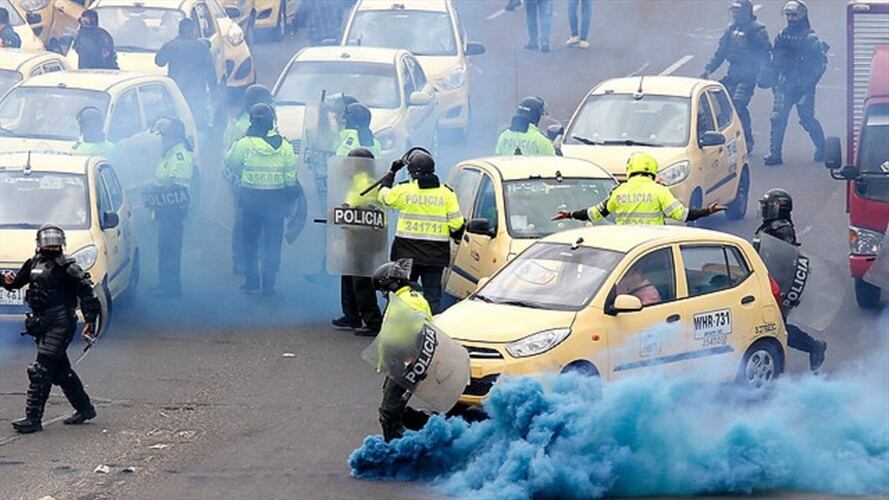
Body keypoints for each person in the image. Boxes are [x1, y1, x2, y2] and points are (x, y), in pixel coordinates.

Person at [1, 226, 101, 434]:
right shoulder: (34, 263)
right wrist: (5, 280)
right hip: (41, 322)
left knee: (40, 370)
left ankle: (33, 419)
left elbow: (87, 292)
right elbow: (15, 284)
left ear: (62, 243)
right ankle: (85, 409)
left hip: (61, 322)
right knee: (61, 372)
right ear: (39, 243)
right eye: (48, 241)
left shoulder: (68, 267)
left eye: (55, 241)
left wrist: (90, 321)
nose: (51, 245)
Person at [377, 149, 464, 314]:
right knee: (432, 296)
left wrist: (391, 173)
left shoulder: (404, 190)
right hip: (435, 255)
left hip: (406, 253)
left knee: (402, 293)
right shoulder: (447, 193)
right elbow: (456, 224)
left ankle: (399, 324)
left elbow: (383, 196)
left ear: (413, 173)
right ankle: (431, 327)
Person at [225, 103, 299, 296]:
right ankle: (269, 286)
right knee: (272, 244)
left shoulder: (244, 144)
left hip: (251, 199)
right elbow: (290, 177)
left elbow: (230, 162)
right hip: (276, 200)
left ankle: (251, 282)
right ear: (272, 122)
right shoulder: (285, 146)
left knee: (250, 242)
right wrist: (289, 201)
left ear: (251, 121)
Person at [754, 188, 827, 371]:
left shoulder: (781, 228)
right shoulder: (771, 226)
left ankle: (813, 347)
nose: (765, 210)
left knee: (776, 327)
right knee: (774, 326)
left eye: (768, 206)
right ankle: (811, 348)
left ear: (780, 207)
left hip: (777, 283)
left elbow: (786, 256)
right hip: (767, 280)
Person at [552, 152, 725, 224]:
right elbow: (683, 215)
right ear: (653, 171)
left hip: (626, 250)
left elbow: (594, 214)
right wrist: (707, 211)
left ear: (630, 169)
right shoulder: (659, 191)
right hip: (652, 247)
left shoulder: (618, 191)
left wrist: (571, 214)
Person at [371, 259, 433, 442]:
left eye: (383, 289)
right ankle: (431, 427)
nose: (383, 294)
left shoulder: (408, 301)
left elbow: (421, 330)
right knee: (394, 408)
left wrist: (412, 358)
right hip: (399, 362)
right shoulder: (404, 299)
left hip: (406, 364)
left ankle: (397, 450)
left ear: (392, 284)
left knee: (388, 413)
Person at [762, 0, 827, 166]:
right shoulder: (781, 35)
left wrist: (808, 83)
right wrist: (769, 76)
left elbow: (821, 64)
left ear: (802, 16)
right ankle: (775, 154)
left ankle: (822, 147)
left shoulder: (810, 38)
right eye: (789, 15)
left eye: (794, 15)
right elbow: (775, 59)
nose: (791, 18)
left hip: (803, 87)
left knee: (807, 119)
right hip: (784, 84)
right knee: (777, 118)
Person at [700, 0, 771, 154]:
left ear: (746, 12)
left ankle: (748, 140)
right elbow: (721, 52)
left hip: (748, 76)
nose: (735, 15)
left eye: (738, 11)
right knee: (720, 104)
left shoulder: (757, 30)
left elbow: (765, 55)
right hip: (733, 74)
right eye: (734, 11)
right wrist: (709, 69)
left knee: (738, 106)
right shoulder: (731, 29)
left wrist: (764, 75)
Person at [331, 147, 386, 336]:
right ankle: (351, 315)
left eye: (350, 162)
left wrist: (344, 211)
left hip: (365, 238)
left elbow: (365, 207)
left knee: (361, 279)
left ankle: (372, 321)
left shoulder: (365, 182)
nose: (346, 166)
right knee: (348, 274)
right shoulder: (356, 181)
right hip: (356, 235)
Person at [223, 84, 275, 275]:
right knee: (243, 222)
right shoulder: (240, 125)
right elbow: (231, 156)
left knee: (258, 221)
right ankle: (241, 261)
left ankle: (255, 259)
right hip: (243, 182)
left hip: (262, 182)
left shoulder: (265, 119)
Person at [150, 118, 194, 297]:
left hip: (172, 213)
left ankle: (171, 288)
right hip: (164, 211)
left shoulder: (179, 157)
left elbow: (178, 188)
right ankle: (165, 284)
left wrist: (157, 192)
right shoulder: (169, 155)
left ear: (175, 137)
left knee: (170, 252)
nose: (162, 140)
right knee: (164, 250)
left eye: (165, 136)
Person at [155, 18, 218, 130]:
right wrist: (214, 93)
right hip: (197, 92)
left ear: (179, 31)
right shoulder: (201, 47)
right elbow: (211, 72)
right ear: (194, 30)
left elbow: (159, 62)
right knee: (197, 123)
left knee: (177, 120)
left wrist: (170, 44)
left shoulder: (172, 45)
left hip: (176, 91)